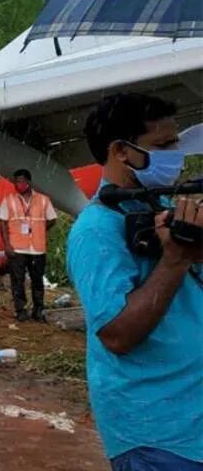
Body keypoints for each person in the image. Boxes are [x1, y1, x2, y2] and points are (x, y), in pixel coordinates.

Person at [67, 93, 202, 469]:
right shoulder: (96, 230)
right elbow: (117, 335)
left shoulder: (160, 211)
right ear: (121, 151)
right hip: (159, 435)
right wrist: (175, 260)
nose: (176, 155)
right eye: (163, 145)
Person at [0, 168, 58, 322]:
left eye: (21, 181)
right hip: (17, 247)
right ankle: (21, 310)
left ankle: (38, 310)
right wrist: (7, 245)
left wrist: (39, 229)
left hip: (37, 248)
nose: (18, 184)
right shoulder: (9, 199)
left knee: (37, 280)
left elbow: (52, 219)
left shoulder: (43, 200)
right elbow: (3, 223)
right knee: (17, 281)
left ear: (29, 182)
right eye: (16, 181)